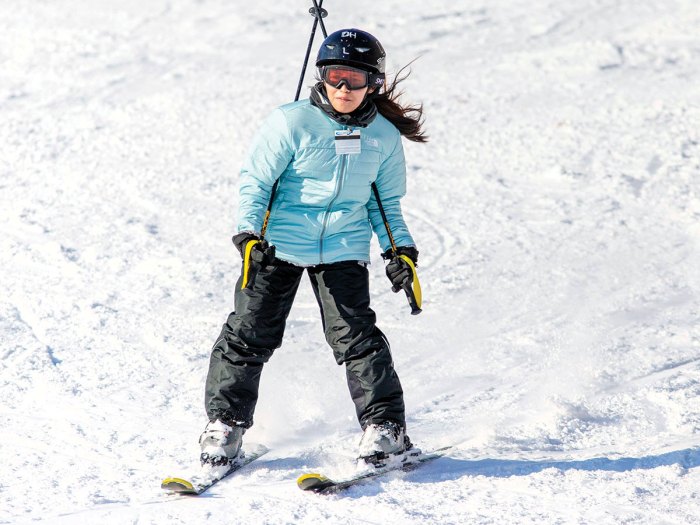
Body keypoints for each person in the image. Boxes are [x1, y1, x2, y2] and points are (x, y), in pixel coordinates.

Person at [198, 28, 427, 471]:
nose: (343, 88)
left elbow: (385, 205)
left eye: (355, 79)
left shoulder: (381, 136)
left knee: (357, 338)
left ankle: (386, 430)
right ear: (321, 76)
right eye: (334, 76)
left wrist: (400, 252)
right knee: (248, 333)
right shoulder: (291, 122)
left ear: (373, 83)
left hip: (343, 245)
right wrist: (248, 236)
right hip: (278, 243)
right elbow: (256, 184)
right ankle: (225, 426)